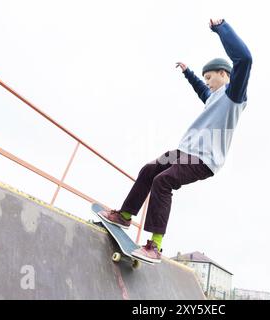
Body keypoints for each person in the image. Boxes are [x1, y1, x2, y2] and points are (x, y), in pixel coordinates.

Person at [98, 18, 252, 263]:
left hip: (205, 159)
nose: (208, 84)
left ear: (224, 74)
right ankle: (125, 215)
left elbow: (244, 59)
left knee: (163, 181)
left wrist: (221, 27)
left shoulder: (234, 94)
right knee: (149, 170)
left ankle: (154, 245)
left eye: (210, 78)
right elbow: (202, 90)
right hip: (184, 151)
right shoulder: (212, 96)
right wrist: (188, 73)